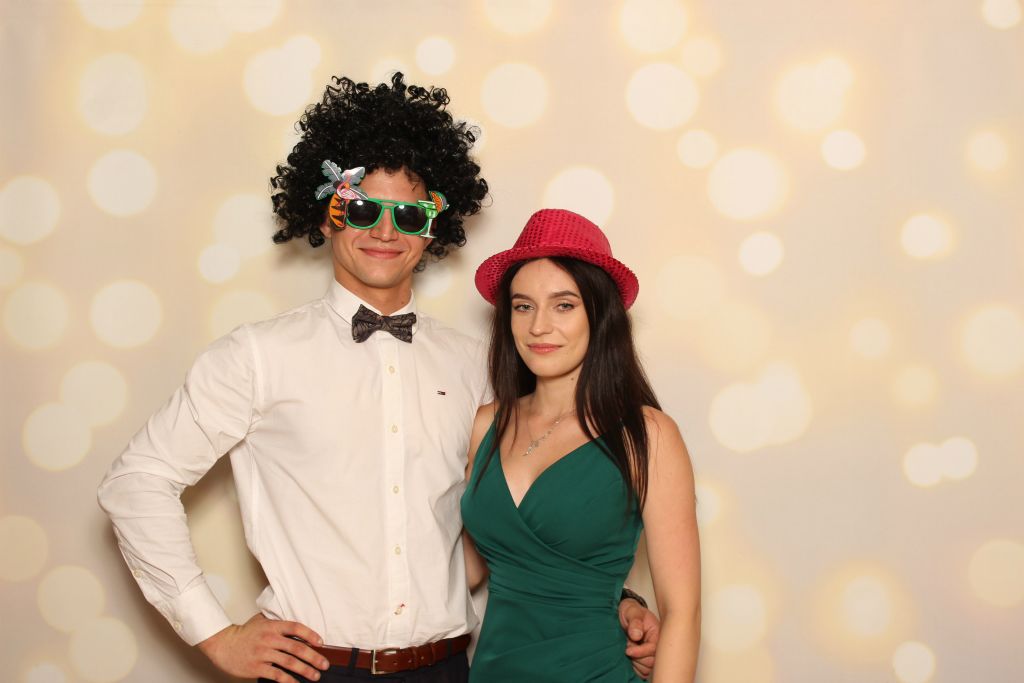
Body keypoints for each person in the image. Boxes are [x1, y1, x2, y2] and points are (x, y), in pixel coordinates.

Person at [98, 74, 659, 683]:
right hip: (313, 670)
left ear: (432, 226)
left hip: (451, 669)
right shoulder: (256, 356)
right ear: (327, 215)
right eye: (362, 208)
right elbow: (137, 481)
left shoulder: (481, 366)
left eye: (409, 214)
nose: (386, 232)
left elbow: (529, 514)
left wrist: (616, 601)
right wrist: (215, 634)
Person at [461, 209, 701, 682]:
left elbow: (682, 613)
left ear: (600, 314)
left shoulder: (647, 434)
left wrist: (621, 601)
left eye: (564, 305)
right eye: (523, 306)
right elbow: (466, 572)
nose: (538, 326)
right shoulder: (487, 423)